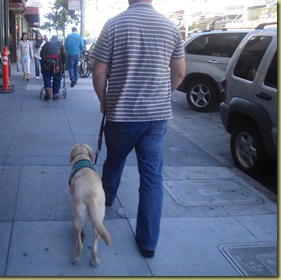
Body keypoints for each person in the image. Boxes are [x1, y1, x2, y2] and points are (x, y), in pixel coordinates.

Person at [91, 0, 186, 259]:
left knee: (114, 161)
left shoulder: (113, 25)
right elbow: (178, 73)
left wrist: (103, 102)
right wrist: (161, 94)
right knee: (152, 178)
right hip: (156, 119)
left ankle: (106, 199)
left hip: (121, 116)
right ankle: (148, 242)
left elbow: (99, 71)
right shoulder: (171, 28)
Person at [40, 35, 67, 100]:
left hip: (46, 64)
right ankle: (55, 93)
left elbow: (41, 54)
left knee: (46, 76)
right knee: (57, 77)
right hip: (56, 64)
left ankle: (48, 89)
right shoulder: (60, 44)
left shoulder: (46, 44)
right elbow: (64, 54)